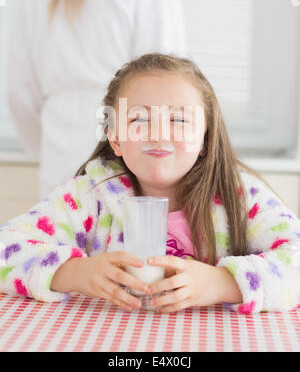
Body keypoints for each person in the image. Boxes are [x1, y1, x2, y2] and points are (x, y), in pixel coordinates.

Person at [1, 52, 300, 315]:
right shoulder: (89, 196)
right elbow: (6, 246)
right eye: (139, 120)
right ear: (115, 138)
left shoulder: (240, 197)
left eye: (179, 120)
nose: (158, 134)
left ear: (205, 140)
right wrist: (72, 272)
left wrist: (224, 283)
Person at [6, 0, 186, 199]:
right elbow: (169, 96)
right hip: (130, 166)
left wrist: (44, 147)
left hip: (58, 162)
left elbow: (19, 92)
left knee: (60, 244)